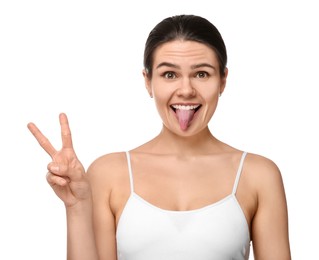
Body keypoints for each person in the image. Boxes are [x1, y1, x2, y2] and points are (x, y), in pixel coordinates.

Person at [27, 14, 291, 260]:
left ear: (223, 80)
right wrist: (76, 208)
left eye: (202, 74)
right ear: (147, 81)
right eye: (169, 74)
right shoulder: (108, 173)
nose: (186, 90)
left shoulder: (258, 175)